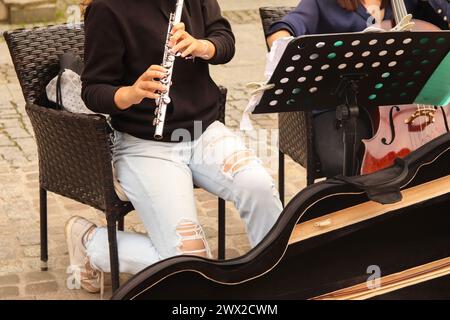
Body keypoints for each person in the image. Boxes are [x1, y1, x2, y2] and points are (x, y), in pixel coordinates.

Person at [65, 0, 283, 294]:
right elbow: (93, 90)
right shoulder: (108, 8)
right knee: (190, 261)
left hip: (203, 132)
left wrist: (202, 46)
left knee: (258, 187)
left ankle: (272, 279)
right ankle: (90, 242)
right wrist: (131, 92)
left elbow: (225, 40)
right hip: (144, 144)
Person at [267, 0, 450, 178]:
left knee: (438, 150)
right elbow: (283, 30)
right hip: (339, 105)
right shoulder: (322, 3)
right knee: (339, 162)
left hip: (400, 105)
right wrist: (303, 62)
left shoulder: (412, 3)